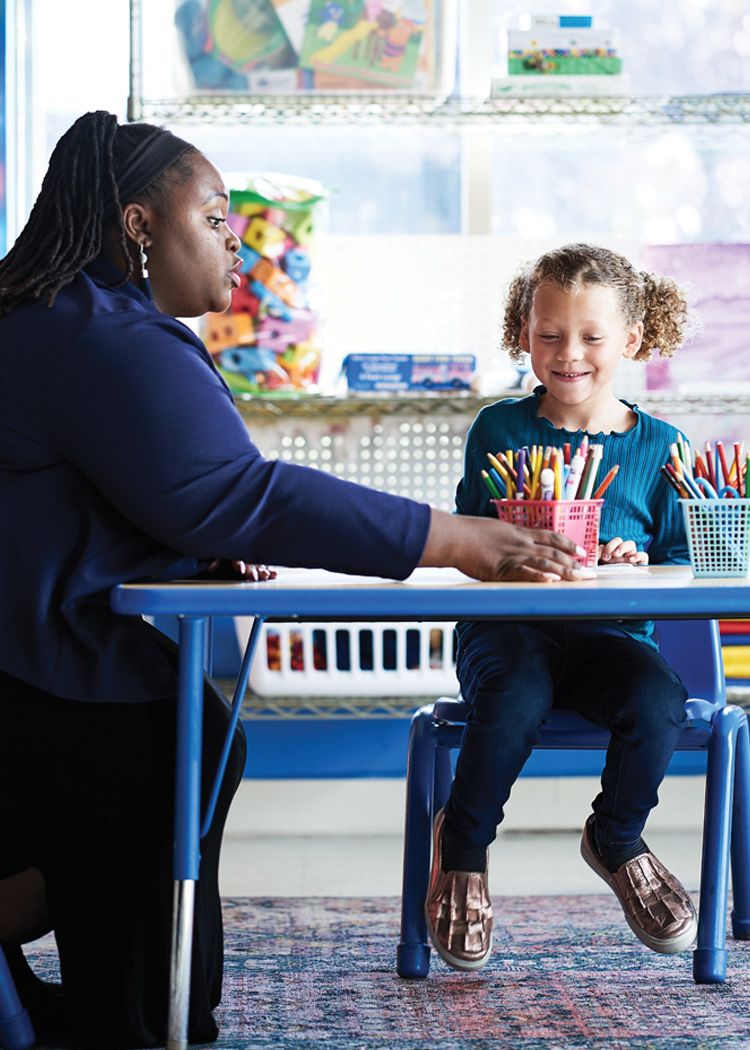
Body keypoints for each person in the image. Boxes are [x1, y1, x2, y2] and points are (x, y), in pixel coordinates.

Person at [0, 112, 589, 1049]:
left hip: (31, 659)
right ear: (140, 225)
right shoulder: (105, 337)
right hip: (32, 682)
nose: (235, 241)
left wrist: (190, 545)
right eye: (216, 216)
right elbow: (234, 491)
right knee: (164, 752)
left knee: (183, 744)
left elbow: (102, 500)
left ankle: (135, 997)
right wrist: (453, 540)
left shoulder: (70, 315)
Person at [425, 243, 697, 973]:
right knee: (515, 694)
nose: (567, 354)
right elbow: (467, 539)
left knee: (660, 698)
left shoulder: (664, 447)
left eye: (590, 337)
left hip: (610, 638)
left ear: (632, 341)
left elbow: (681, 565)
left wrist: (638, 562)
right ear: (523, 333)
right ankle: (465, 847)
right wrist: (512, 548)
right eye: (548, 334)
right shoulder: (499, 431)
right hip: (508, 632)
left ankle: (615, 836)